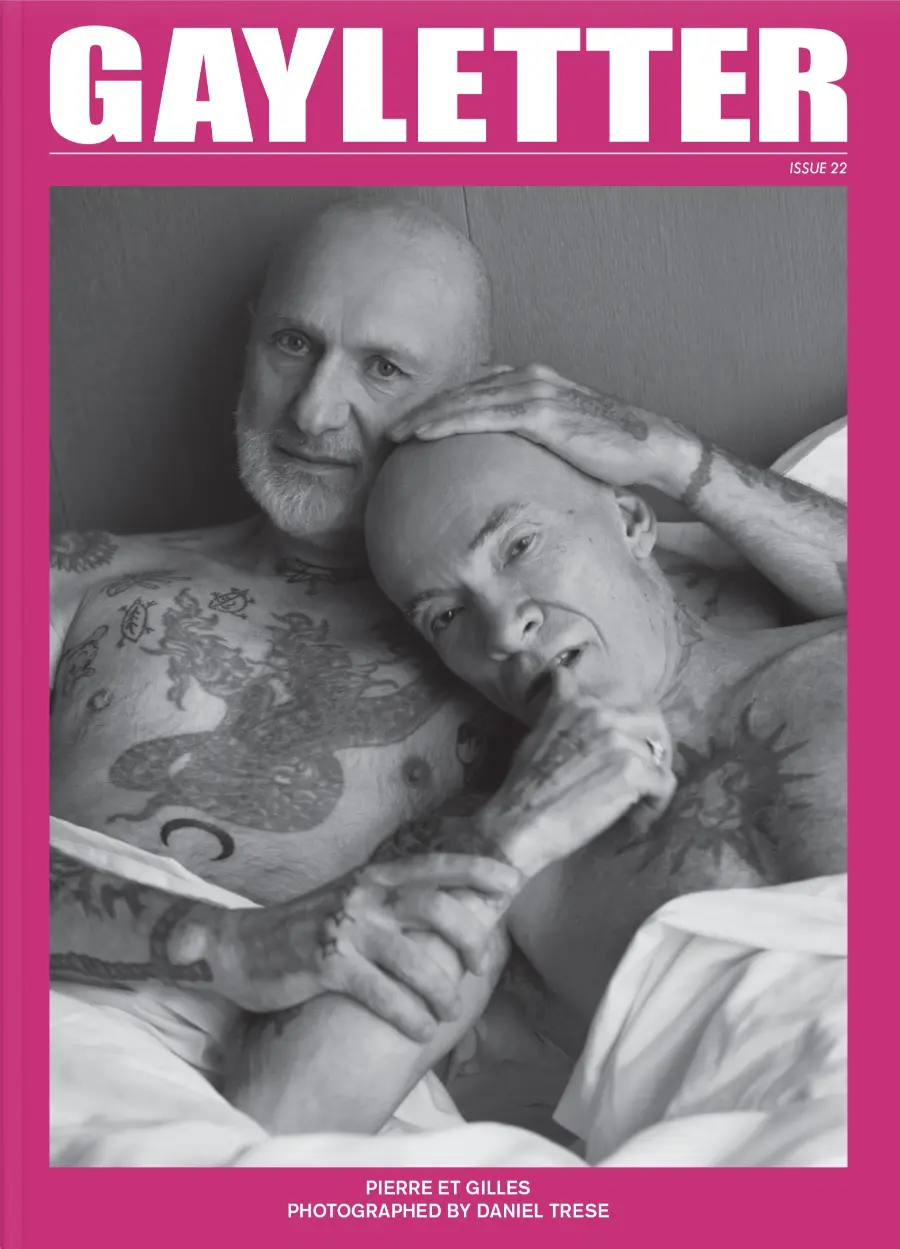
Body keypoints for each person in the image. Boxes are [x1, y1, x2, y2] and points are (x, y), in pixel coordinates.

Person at [50, 198, 847, 1137]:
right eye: (294, 344)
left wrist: (672, 456)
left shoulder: (628, 575)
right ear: (252, 338)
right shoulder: (77, 580)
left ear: (461, 393)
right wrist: (222, 941)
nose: (314, 410)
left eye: (383, 367)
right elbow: (287, 1105)